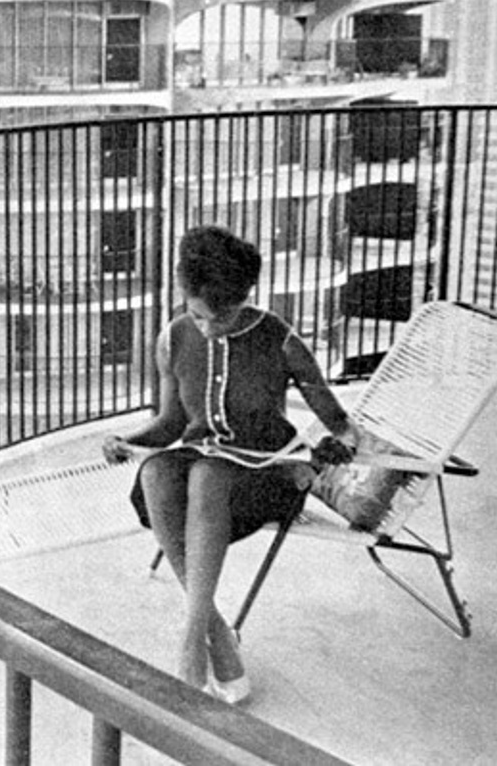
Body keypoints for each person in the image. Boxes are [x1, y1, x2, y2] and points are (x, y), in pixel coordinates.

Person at [102, 225, 362, 702]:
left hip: (266, 477)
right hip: (203, 462)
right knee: (158, 470)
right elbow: (170, 424)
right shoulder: (173, 338)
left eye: (220, 318)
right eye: (197, 315)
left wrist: (333, 444)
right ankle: (216, 633)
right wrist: (126, 439)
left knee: (207, 475)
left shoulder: (279, 340)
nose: (205, 327)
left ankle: (190, 642)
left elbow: (340, 423)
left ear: (244, 299)